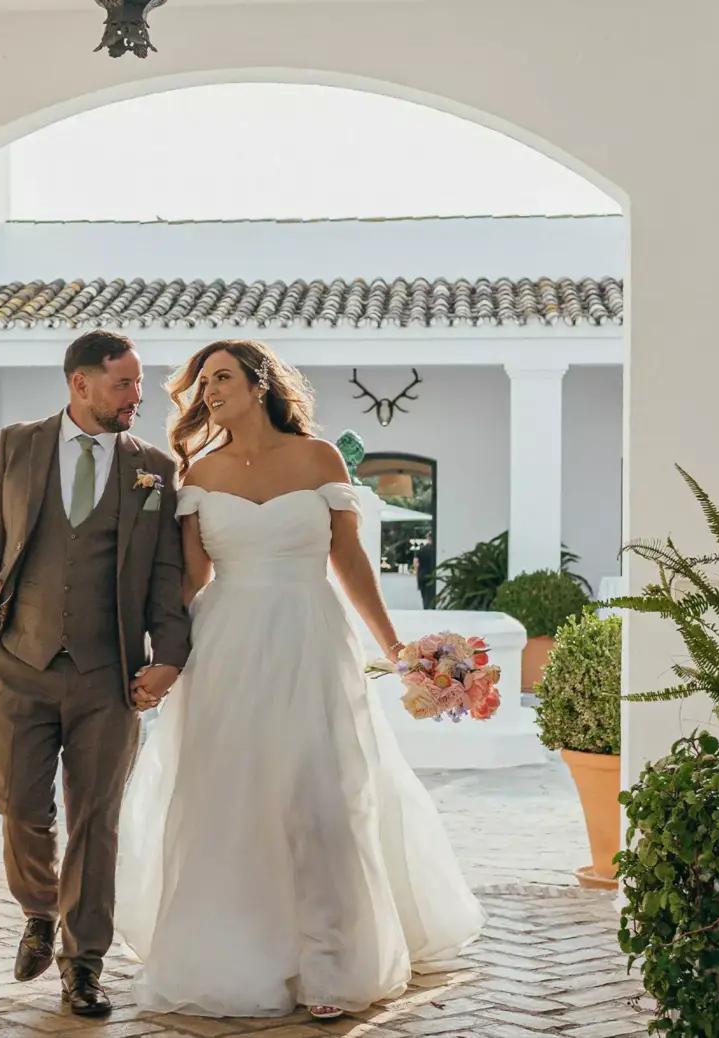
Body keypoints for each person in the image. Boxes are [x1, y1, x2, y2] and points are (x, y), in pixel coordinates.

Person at [114, 338, 482, 1020]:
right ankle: (238, 958)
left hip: (313, 637)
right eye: (201, 383)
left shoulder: (319, 458)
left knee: (323, 797)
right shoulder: (198, 475)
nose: (210, 391)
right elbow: (191, 583)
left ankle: (332, 964)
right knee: (232, 799)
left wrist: (398, 647)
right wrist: (152, 651)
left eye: (222, 376)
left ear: (258, 384)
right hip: (227, 647)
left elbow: (348, 561)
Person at [0, 328, 191, 1017]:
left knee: (98, 820)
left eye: (139, 385)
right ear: (79, 383)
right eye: (123, 384)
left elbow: (167, 577)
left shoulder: (153, 468)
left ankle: (83, 963)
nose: (136, 398)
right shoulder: (18, 446)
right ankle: (38, 906)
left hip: (108, 675)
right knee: (21, 807)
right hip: (19, 665)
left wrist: (168, 658)